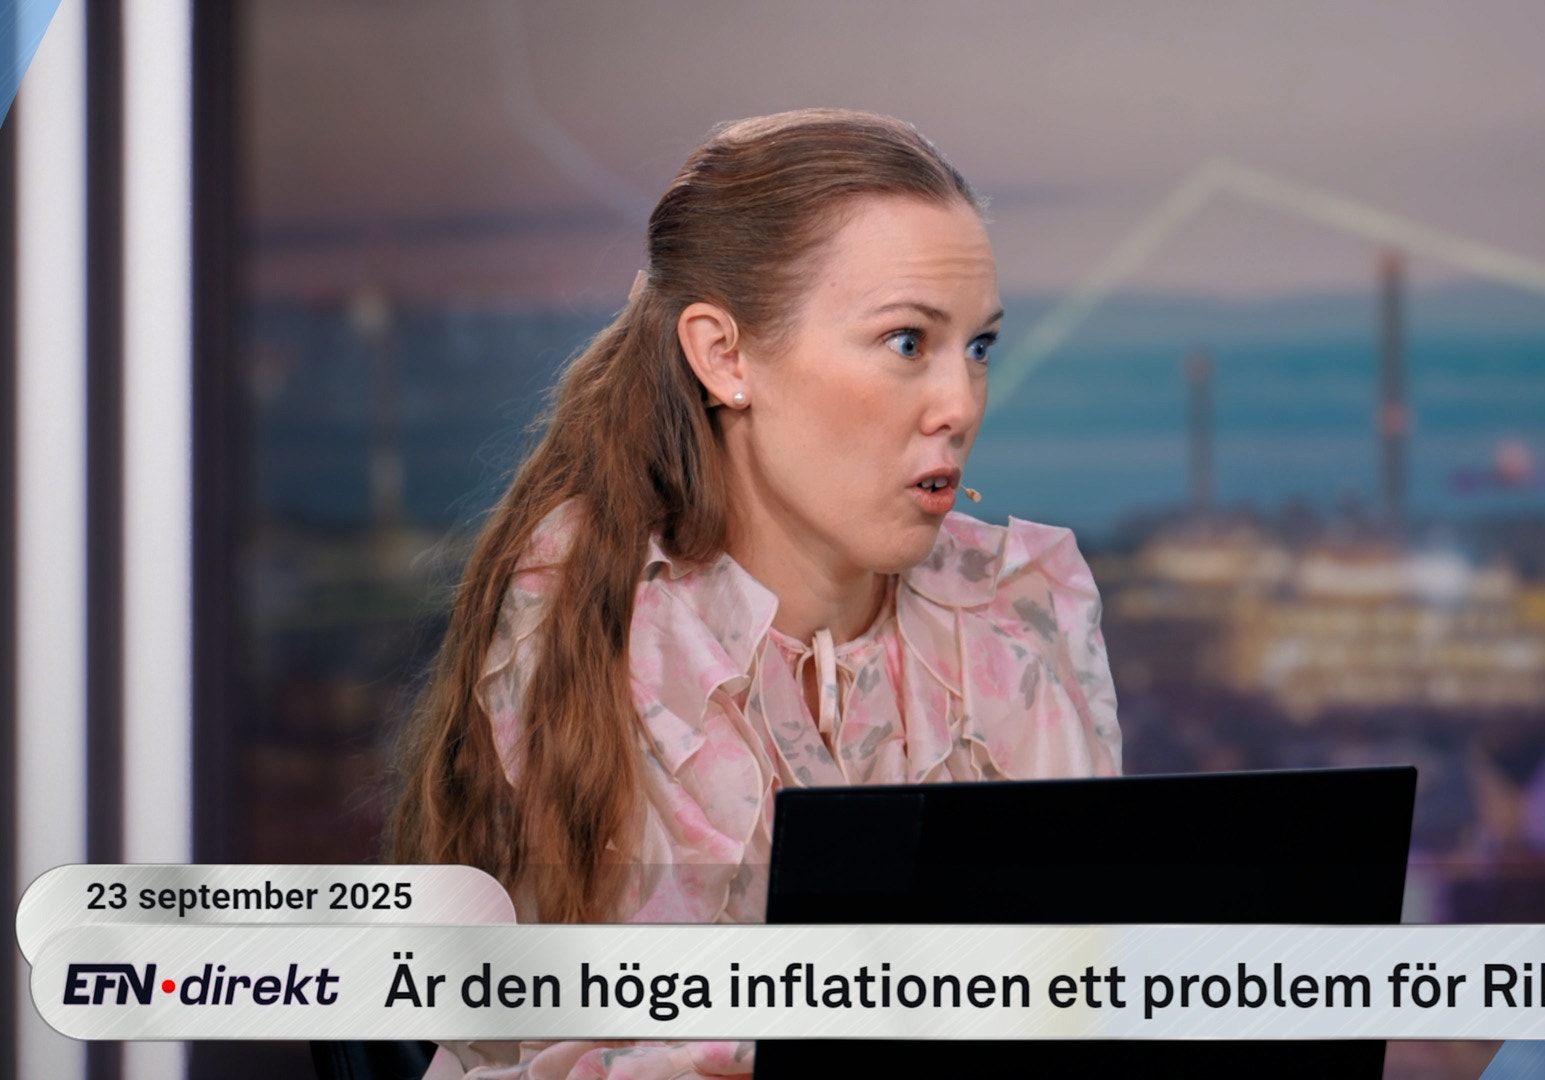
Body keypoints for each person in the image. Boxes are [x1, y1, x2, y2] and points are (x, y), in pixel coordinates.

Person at [388, 108, 1123, 1080]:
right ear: (725, 357)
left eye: (978, 347)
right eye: (908, 341)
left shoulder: (1019, 603)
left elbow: (1080, 996)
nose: (959, 404)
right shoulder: (605, 615)